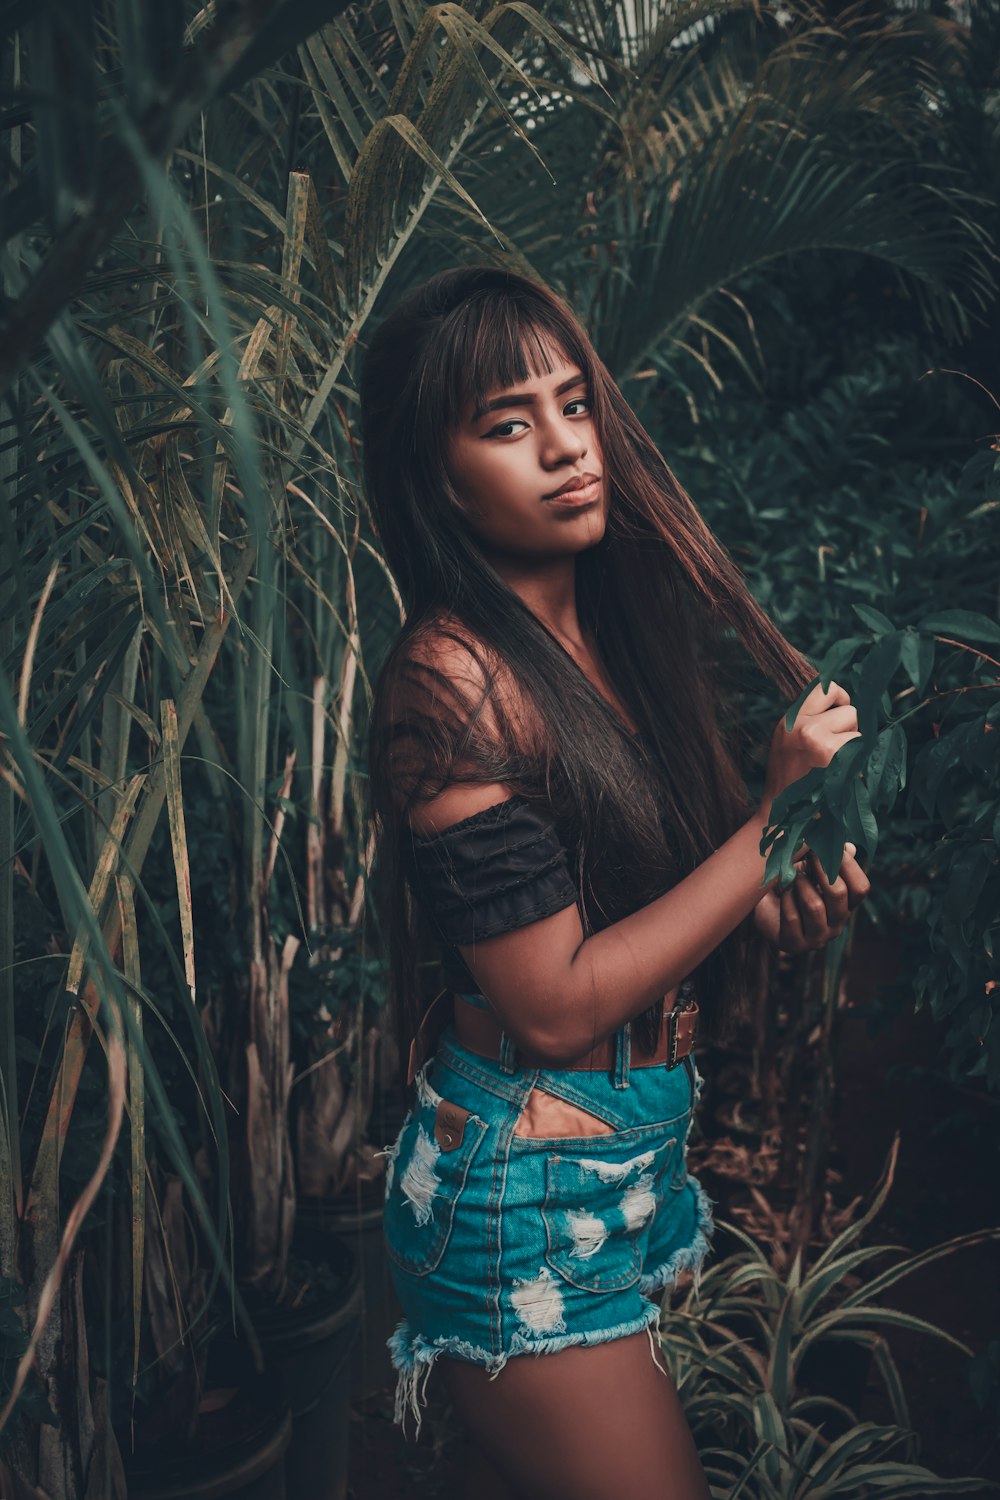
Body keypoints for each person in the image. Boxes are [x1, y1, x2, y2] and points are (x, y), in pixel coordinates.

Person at [361, 265, 870, 1500]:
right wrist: (768, 823)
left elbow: (635, 901)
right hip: (518, 1195)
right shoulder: (453, 681)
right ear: (438, 477)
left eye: (572, 404)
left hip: (621, 1161)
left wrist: (766, 895)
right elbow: (552, 1005)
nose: (563, 447)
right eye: (506, 424)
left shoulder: (606, 626)